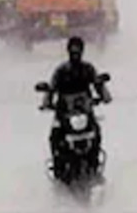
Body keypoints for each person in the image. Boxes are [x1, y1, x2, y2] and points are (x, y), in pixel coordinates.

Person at [44, 36, 111, 173]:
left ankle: (94, 159)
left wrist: (104, 96)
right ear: (68, 51)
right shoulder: (61, 71)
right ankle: (58, 164)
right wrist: (47, 102)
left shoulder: (88, 69)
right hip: (64, 112)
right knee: (55, 135)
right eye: (73, 50)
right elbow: (52, 88)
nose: (75, 53)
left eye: (78, 50)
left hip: (84, 110)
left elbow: (98, 83)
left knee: (96, 130)